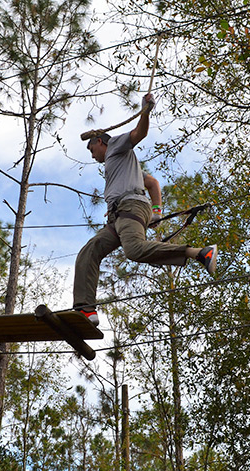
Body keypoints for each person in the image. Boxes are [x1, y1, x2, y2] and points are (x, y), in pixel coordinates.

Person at [74, 92, 217, 325]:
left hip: (130, 208)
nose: (93, 157)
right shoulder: (122, 166)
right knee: (89, 251)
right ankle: (86, 310)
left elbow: (139, 133)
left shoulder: (115, 146)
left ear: (100, 142)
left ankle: (200, 253)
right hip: (119, 216)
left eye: (92, 151)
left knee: (134, 250)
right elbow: (152, 183)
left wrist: (146, 111)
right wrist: (157, 211)